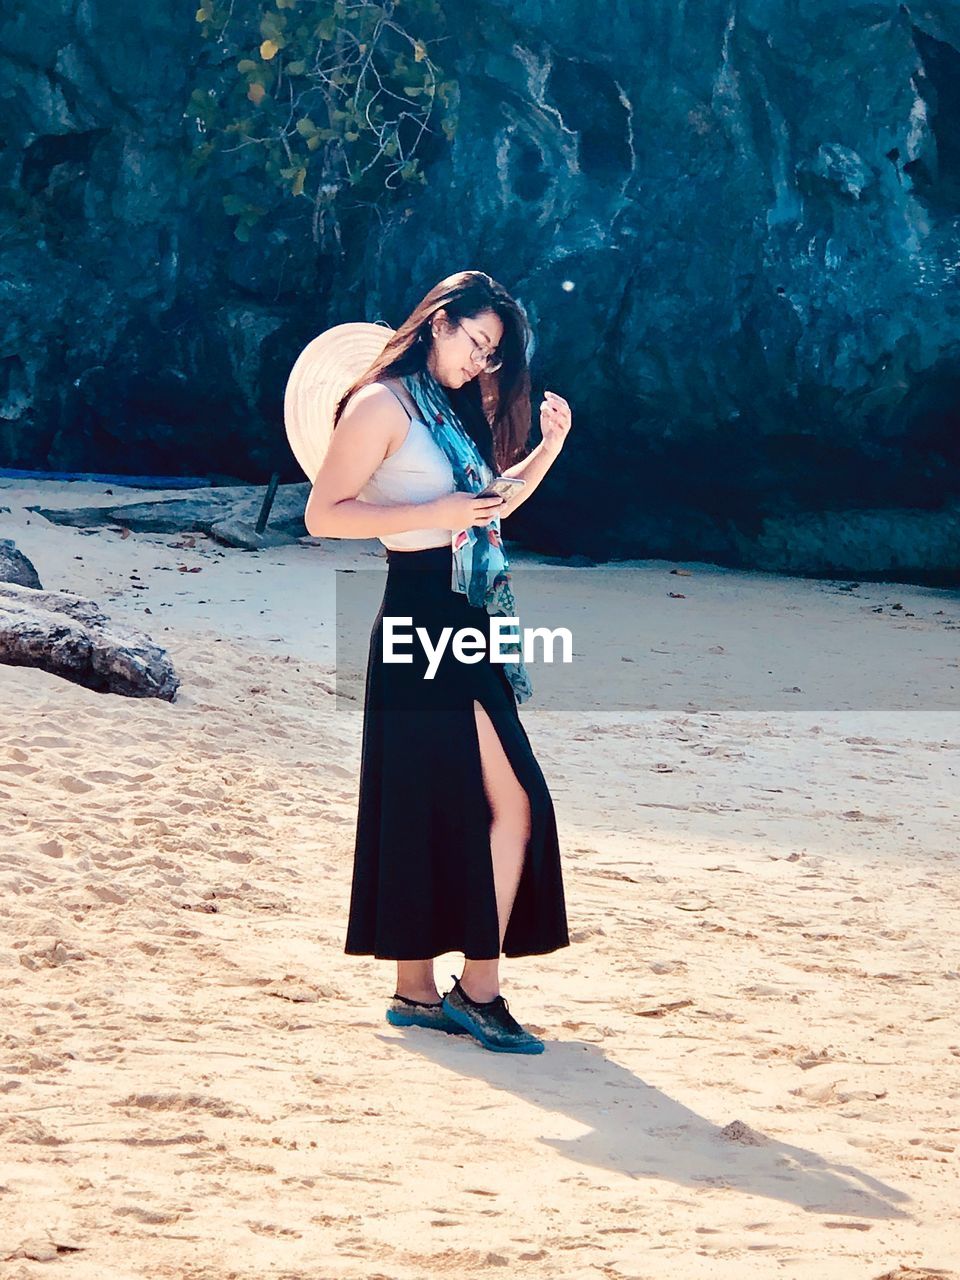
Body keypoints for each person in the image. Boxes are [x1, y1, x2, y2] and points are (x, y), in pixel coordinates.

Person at [302, 270, 573, 1054]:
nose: (480, 364)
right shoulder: (381, 403)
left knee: (430, 801)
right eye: (477, 344)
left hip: (465, 617)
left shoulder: (439, 411)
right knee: (516, 801)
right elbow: (324, 514)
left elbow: (484, 512)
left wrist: (547, 450)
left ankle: (417, 994)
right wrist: (438, 513)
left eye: (492, 355)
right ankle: (478, 992)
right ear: (439, 322)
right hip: (422, 612)